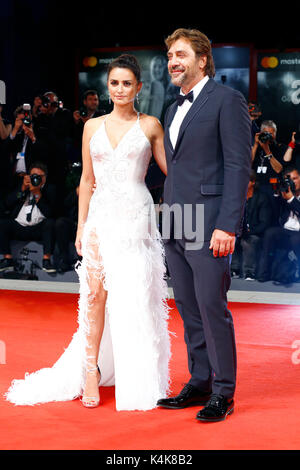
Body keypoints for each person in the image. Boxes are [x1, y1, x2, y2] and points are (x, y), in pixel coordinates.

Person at [5, 54, 171, 411]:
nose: (121, 89)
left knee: (133, 295)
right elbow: (86, 180)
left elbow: (172, 170)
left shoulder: (151, 125)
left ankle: (137, 373)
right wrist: (81, 225)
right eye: (115, 83)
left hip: (136, 217)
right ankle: (90, 369)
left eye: (128, 83)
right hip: (99, 217)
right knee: (95, 295)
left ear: (139, 87)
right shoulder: (92, 127)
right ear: (108, 87)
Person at [156, 28, 251, 422]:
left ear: (202, 59)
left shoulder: (227, 101)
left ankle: (224, 391)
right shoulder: (170, 107)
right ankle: (200, 381)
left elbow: (237, 166)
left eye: (180, 54)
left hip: (211, 222)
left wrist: (227, 224)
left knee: (212, 307)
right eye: (170, 56)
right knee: (189, 308)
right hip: (177, 220)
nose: (173, 62)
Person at [0, 162, 56, 273]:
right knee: (2, 223)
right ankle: (7, 259)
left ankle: (46, 260)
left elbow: (50, 213)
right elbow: (7, 203)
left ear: (45, 178)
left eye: (39, 177)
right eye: (33, 176)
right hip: (19, 226)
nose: (36, 179)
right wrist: (22, 189)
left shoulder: (50, 189)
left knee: (50, 223)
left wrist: (36, 193)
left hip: (39, 228)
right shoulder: (21, 187)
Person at [257, 167, 300, 282]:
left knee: (296, 239)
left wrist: (291, 199)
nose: (292, 182)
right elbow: (275, 213)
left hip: (298, 233)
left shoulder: (290, 196)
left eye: (295, 178)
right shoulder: (286, 194)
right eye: (289, 180)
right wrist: (277, 193)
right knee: (270, 233)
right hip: (286, 230)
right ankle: (264, 273)